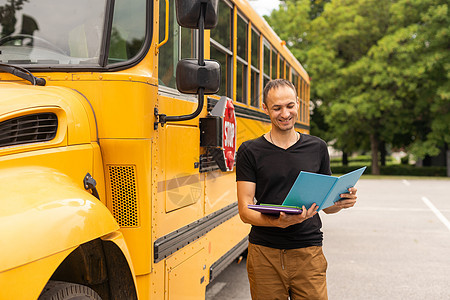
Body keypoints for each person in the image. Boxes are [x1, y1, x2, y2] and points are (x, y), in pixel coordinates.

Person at [236, 79, 358, 300]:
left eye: (290, 106)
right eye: (277, 108)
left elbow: (325, 206)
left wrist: (341, 203)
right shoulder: (249, 151)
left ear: (298, 104)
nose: (285, 114)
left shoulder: (317, 148)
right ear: (265, 108)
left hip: (308, 252)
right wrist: (276, 222)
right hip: (265, 253)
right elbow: (245, 210)